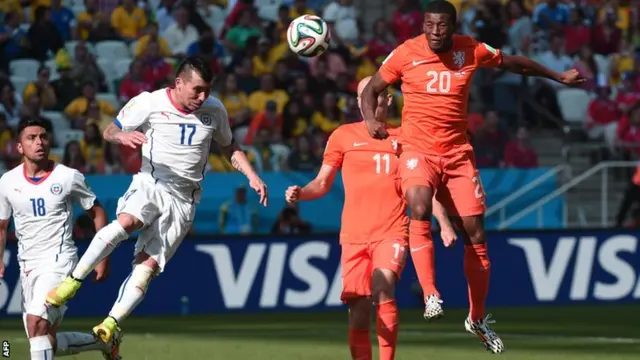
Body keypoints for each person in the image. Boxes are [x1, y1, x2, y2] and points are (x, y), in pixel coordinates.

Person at [360, 0, 585, 354]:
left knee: (476, 235)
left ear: (453, 25)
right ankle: (431, 293)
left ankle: (476, 317)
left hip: (458, 154)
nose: (435, 32)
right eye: (430, 25)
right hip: (418, 149)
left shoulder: (472, 49)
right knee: (418, 204)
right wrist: (373, 121)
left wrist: (556, 76)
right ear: (423, 24)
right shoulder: (405, 53)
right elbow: (372, 89)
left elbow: (514, 63)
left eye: (442, 25)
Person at [46, 56, 268, 344]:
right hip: (151, 183)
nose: (202, 97)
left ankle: (110, 325)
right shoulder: (149, 102)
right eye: (197, 90)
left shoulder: (215, 110)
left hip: (184, 200)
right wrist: (122, 136)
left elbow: (229, 146)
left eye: (207, 91)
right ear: (179, 83)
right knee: (127, 222)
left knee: (147, 265)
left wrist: (251, 175)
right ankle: (72, 282)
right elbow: (109, 130)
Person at [285, 76, 455, 360]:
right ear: (358, 102)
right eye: (368, 95)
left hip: (392, 232)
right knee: (358, 313)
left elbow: (424, 189)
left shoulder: (406, 139)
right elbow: (322, 183)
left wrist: (444, 223)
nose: (374, 100)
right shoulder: (342, 137)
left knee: (383, 288)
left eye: (380, 94)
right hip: (353, 237)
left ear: (389, 99)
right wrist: (301, 193)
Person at [0, 118, 119, 359]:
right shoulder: (7, 182)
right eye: (31, 138)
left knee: (36, 322)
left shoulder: (67, 177)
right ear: (20, 147)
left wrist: (103, 257)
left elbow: (97, 212)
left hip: (59, 260)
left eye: (43, 136)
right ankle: (105, 343)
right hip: (28, 266)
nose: (39, 142)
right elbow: (2, 226)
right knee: (44, 340)